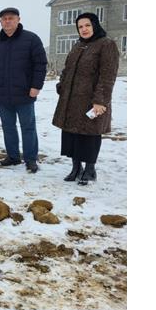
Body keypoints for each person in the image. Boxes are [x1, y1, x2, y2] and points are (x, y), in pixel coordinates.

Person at [52, 12, 119, 185]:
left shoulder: (106, 44)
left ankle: (90, 170)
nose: (84, 29)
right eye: (80, 26)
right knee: (71, 134)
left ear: (95, 25)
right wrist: (62, 85)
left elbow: (108, 75)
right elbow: (67, 70)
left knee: (89, 135)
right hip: (71, 100)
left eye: (87, 25)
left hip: (91, 101)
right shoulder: (78, 45)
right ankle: (76, 168)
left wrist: (100, 101)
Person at [0, 7, 47, 173]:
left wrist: (36, 86)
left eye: (11, 18)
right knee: (8, 127)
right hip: (3, 94)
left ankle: (30, 159)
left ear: (18, 20)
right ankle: (13, 156)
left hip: (25, 93)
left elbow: (40, 64)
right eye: (4, 19)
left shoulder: (31, 39)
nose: (7, 21)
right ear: (1, 22)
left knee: (28, 127)